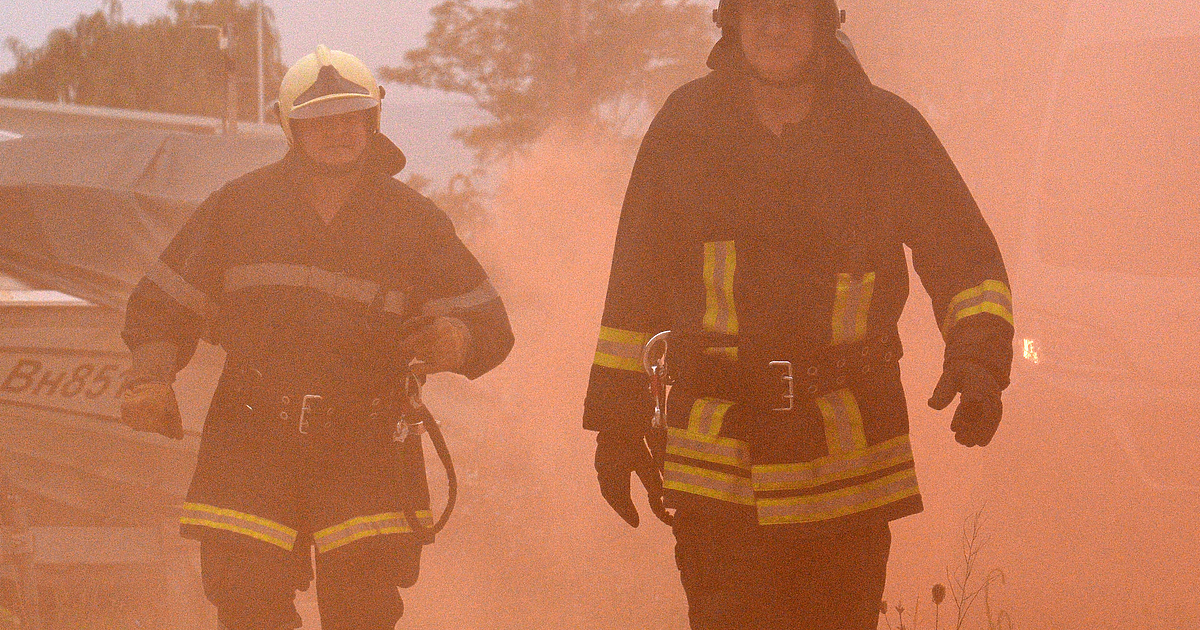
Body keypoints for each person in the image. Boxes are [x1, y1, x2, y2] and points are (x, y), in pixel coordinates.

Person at [584, 1, 1013, 628]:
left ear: (823, 21)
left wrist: (978, 360)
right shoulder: (687, 126)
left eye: (790, 8)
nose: (773, 25)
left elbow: (963, 256)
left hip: (846, 464)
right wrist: (617, 420)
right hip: (720, 461)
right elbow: (636, 279)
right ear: (731, 21)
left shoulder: (883, 128)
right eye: (756, 8)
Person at [119, 45, 513, 630]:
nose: (338, 132)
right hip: (253, 440)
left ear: (372, 120)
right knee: (248, 607)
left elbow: (491, 327)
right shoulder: (239, 207)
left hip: (369, 444)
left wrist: (451, 339)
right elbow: (164, 301)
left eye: (350, 118)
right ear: (290, 127)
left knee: (363, 612)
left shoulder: (414, 220)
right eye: (320, 121)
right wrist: (151, 374)